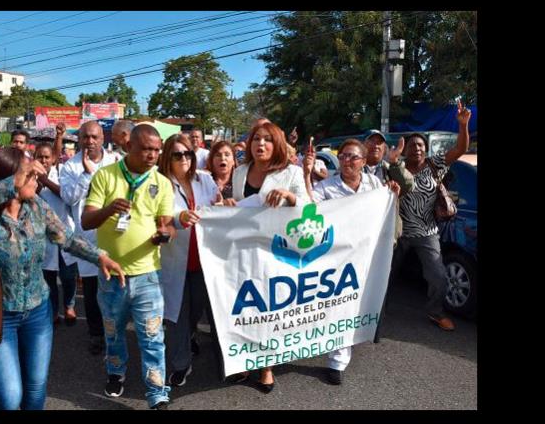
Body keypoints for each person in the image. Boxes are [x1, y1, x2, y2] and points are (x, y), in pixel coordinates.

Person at [0, 147, 125, 410]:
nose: (36, 180)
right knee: (8, 399)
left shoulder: (36, 206)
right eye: (28, 176)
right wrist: (9, 185)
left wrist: (99, 257)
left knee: (34, 393)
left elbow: (67, 238)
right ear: (9, 180)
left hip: (38, 314)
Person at [81, 124, 176, 410]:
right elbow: (86, 221)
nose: (153, 155)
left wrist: (165, 235)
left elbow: (167, 224)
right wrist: (109, 210)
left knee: (152, 336)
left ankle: (157, 392)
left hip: (148, 274)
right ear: (129, 147)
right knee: (113, 332)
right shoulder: (105, 176)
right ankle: (115, 372)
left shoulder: (162, 182)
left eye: (157, 150)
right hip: (112, 275)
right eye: (147, 149)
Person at [303, 138, 401, 385]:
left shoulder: (374, 183)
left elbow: (384, 210)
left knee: (359, 302)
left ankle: (353, 339)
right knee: (340, 303)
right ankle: (337, 360)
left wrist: (393, 194)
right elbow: (308, 205)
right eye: (343, 156)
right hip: (337, 257)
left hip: (367, 256)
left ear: (364, 161)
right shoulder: (327, 186)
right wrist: (306, 174)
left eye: (352, 157)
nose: (346, 161)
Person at [225, 121, 310, 393]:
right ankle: (245, 359)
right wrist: (227, 206)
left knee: (269, 310)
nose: (260, 144)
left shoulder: (291, 172)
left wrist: (290, 197)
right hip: (243, 251)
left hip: (276, 251)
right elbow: (237, 205)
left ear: (276, 144)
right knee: (245, 308)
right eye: (256, 139)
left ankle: (267, 367)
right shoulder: (239, 172)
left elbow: (311, 207)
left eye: (267, 140)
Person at [396, 100, 472, 332]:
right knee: (384, 274)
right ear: (405, 149)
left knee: (438, 276)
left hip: (427, 232)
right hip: (398, 233)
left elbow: (459, 150)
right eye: (412, 145)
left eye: (421, 145)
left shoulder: (435, 165)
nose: (417, 148)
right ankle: (374, 312)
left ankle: (435, 312)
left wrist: (463, 126)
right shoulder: (396, 167)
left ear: (426, 149)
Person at [158, 134, 222, 388]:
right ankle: (181, 364)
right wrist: (178, 216)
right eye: (177, 154)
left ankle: (190, 336)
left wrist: (225, 204)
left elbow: (218, 207)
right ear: (167, 158)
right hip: (175, 261)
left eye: (188, 154)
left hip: (204, 260)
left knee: (196, 310)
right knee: (177, 315)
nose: (184, 158)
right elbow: (157, 216)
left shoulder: (205, 180)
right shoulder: (160, 183)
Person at [58, 121, 121, 355]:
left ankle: (115, 332)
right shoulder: (70, 166)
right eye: (85, 137)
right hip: (87, 238)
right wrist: (86, 174)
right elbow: (68, 198)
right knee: (94, 292)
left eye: (94, 137)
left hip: (116, 235)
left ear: (102, 138)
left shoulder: (116, 161)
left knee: (115, 289)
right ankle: (96, 334)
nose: (90, 141)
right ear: (79, 139)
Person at [34, 142, 80, 326]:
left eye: (47, 157)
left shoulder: (62, 174)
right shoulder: (29, 176)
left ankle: (69, 305)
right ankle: (53, 311)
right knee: (48, 277)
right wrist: (37, 182)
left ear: (53, 159)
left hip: (64, 232)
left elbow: (67, 196)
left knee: (68, 275)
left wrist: (46, 181)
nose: (44, 160)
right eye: (40, 157)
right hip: (42, 235)